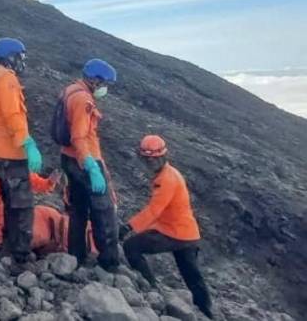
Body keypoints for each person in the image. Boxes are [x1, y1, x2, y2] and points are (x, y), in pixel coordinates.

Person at [120, 136, 214, 319]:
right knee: (192, 276)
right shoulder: (169, 173)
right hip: (188, 234)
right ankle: (206, 312)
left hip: (175, 233)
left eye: (153, 158)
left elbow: (154, 210)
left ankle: (151, 289)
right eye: (147, 159)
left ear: (163, 156)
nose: (150, 161)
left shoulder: (167, 180)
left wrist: (128, 227)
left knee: (131, 247)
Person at [0, 38, 42, 269]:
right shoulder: (6, 78)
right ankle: (20, 257)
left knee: (10, 204)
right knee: (23, 205)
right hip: (11, 153)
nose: (21, 62)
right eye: (20, 57)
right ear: (10, 57)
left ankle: (8, 249)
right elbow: (12, 114)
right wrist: (27, 143)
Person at [57, 58, 120, 270]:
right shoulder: (83, 100)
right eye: (104, 84)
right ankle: (109, 262)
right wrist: (91, 167)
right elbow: (79, 137)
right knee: (104, 212)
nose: (105, 88)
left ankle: (76, 255)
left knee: (78, 210)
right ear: (94, 80)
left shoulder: (70, 91)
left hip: (68, 159)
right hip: (84, 161)